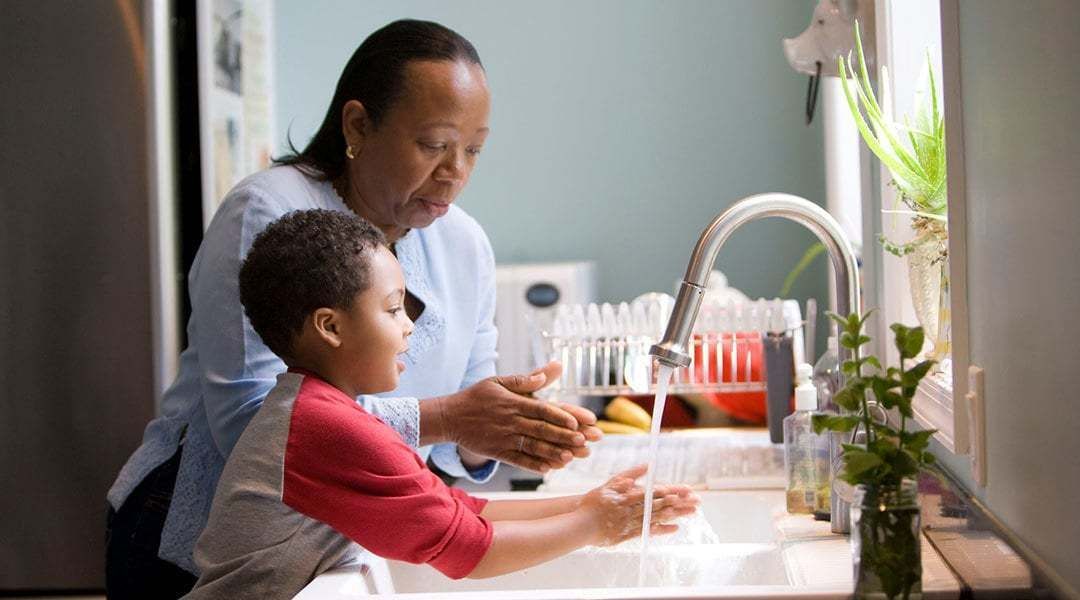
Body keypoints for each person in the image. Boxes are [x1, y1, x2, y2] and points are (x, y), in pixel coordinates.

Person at [106, 19, 601, 599]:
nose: (456, 172)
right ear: (358, 125)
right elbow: (254, 422)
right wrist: (449, 417)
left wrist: (505, 428)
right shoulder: (270, 211)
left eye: (473, 150)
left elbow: (460, 432)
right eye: (434, 145)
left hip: (332, 546)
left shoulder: (464, 243)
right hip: (195, 543)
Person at [183, 209, 696, 599]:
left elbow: (461, 509)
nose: (409, 326)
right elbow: (470, 550)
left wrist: (587, 505)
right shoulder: (325, 428)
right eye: (392, 309)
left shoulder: (322, 410)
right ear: (331, 327)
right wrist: (597, 525)